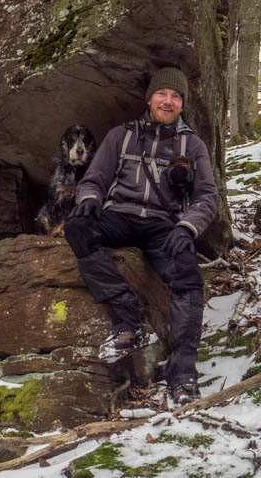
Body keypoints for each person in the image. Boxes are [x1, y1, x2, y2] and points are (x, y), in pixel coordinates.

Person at [64, 68, 218, 406]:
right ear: (149, 99)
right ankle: (130, 321)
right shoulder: (121, 135)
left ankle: (182, 375)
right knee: (77, 228)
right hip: (118, 217)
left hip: (164, 226)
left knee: (189, 276)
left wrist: (187, 227)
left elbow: (208, 196)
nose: (168, 100)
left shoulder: (192, 145)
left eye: (176, 96)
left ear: (182, 104)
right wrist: (88, 200)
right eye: (162, 94)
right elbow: (94, 179)